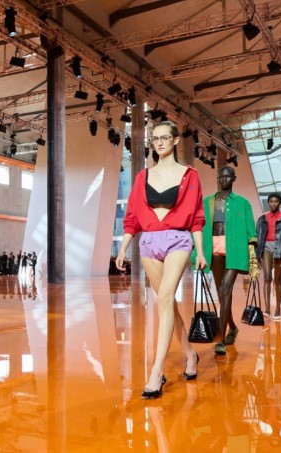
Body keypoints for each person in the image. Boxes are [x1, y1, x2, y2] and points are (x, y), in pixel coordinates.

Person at [114, 121, 206, 399]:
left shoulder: (190, 175)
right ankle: (190, 355)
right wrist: (123, 248)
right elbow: (132, 217)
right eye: (155, 139)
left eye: (165, 138)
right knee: (168, 304)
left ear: (176, 140)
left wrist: (200, 251)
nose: (160, 143)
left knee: (164, 298)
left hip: (178, 240)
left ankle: (156, 372)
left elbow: (197, 218)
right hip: (149, 242)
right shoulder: (143, 177)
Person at [194, 166, 256, 355]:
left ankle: (220, 338)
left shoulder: (242, 203)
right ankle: (233, 327)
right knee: (222, 293)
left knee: (224, 289)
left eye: (227, 176)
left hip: (235, 249)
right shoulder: (208, 202)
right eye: (221, 176)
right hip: (213, 248)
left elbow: (251, 230)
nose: (224, 179)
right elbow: (198, 226)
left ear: (233, 178)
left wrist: (253, 253)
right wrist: (198, 251)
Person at [255, 193, 281, 320]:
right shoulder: (262, 219)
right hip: (266, 247)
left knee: (278, 280)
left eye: (276, 201)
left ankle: (278, 308)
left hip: (280, 249)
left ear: (280, 203)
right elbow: (257, 236)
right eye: (271, 201)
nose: (273, 203)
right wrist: (257, 255)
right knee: (267, 277)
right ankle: (267, 308)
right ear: (268, 203)